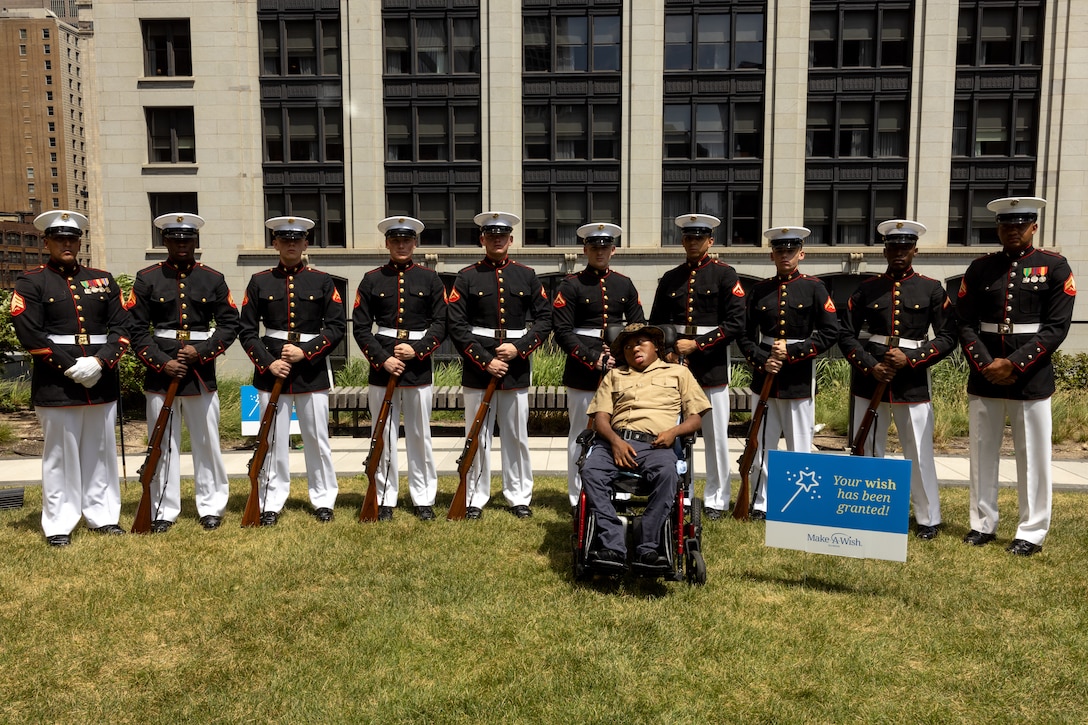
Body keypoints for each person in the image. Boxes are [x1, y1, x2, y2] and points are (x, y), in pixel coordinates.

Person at [956, 197, 1076, 556]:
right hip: (986, 372)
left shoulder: (1054, 266)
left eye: (1021, 225)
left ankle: (1032, 530)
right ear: (998, 228)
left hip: (1031, 376)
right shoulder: (979, 269)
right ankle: (982, 523)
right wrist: (987, 364)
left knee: (1034, 457)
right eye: (1006, 225)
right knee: (981, 451)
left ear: (1033, 227)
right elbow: (964, 323)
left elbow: (1056, 327)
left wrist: (1016, 364)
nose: (1013, 231)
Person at [11, 210, 131, 546]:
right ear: (46, 241)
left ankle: (103, 516)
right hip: (57, 380)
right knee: (60, 455)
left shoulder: (103, 279)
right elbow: (30, 333)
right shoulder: (31, 281)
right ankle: (59, 523)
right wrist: (69, 367)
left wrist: (101, 362)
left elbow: (122, 327)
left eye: (73, 238)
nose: (67, 243)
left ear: (80, 241)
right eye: (60, 238)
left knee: (101, 450)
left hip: (101, 377)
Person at [839, 220, 957, 540]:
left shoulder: (931, 288)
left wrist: (913, 359)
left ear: (915, 250)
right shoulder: (865, 289)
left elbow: (948, 337)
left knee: (918, 451)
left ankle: (928, 517)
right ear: (885, 250)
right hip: (871, 379)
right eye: (894, 247)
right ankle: (868, 510)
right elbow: (846, 336)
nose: (899, 253)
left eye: (906, 247)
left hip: (912, 380)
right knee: (867, 448)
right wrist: (869, 366)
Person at [127, 213, 240, 532]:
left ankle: (211, 505)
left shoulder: (213, 278)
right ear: (164, 241)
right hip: (161, 373)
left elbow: (230, 323)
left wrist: (201, 352)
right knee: (163, 441)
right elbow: (135, 328)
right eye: (175, 240)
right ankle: (163, 508)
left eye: (187, 240)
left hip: (201, 374)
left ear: (195, 242)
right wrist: (163, 362)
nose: (181, 245)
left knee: (207, 442)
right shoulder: (147, 278)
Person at [238, 216, 346, 526]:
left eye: (296, 240)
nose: (291, 245)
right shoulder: (260, 281)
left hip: (311, 369)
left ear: (305, 244)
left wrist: (306, 351)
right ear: (275, 243)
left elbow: (337, 327)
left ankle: (324, 498)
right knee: (272, 438)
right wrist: (268, 362)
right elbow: (247, 330)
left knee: (317, 439)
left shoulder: (323, 281)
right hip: (272, 369)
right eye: (284, 239)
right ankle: (270, 499)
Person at [446, 211, 552, 519]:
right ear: (482, 240)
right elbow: (457, 324)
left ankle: (518, 495)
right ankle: (476, 495)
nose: (497, 240)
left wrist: (519, 348)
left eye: (502, 236)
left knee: (516, 434)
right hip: (478, 366)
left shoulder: (527, 275)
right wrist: (485, 359)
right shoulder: (466, 276)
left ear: (511, 240)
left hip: (515, 365)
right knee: (476, 433)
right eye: (491, 236)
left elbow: (545, 319)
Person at [580, 323, 711, 568]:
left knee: (667, 474)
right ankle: (612, 543)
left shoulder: (679, 374)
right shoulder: (614, 375)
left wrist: (674, 432)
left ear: (657, 347)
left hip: (657, 445)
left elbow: (695, 418)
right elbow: (600, 419)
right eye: (628, 346)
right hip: (614, 442)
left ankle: (648, 546)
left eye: (641, 343)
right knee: (590, 471)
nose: (634, 349)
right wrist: (616, 442)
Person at [739, 226, 840, 519]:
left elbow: (830, 332)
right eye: (780, 251)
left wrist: (794, 353)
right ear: (772, 255)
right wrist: (760, 359)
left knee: (798, 444)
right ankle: (762, 501)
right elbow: (744, 335)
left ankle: (801, 504)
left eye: (791, 251)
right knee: (764, 443)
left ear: (801, 254)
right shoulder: (759, 291)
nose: (785, 255)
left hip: (798, 376)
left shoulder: (815, 288)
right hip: (766, 375)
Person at [649, 213, 746, 520]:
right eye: (689, 237)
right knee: (672, 432)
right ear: (682, 241)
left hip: (711, 366)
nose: (693, 242)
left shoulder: (725, 275)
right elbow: (657, 324)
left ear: (710, 241)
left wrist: (699, 344)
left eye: (699, 237)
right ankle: (680, 495)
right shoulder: (670, 278)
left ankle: (717, 498)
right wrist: (666, 350)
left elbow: (735, 323)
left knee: (715, 436)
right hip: (675, 366)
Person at [352, 216, 447, 521]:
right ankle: (384, 497)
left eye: (407, 240)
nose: (402, 245)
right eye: (396, 241)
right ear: (387, 244)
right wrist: (382, 358)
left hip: (418, 368)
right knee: (384, 434)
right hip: (383, 367)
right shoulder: (371, 279)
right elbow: (361, 327)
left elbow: (441, 323)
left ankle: (423, 497)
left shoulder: (431, 280)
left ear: (415, 244)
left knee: (420, 435)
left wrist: (417, 350)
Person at [552, 222, 644, 509]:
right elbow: (563, 331)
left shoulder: (624, 284)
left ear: (613, 250)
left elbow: (639, 325)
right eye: (594, 247)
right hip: (583, 372)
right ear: (585, 250)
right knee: (581, 433)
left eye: (605, 247)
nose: (599, 252)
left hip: (620, 370)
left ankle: (621, 492)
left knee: (623, 431)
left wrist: (621, 353)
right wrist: (593, 357)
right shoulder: (571, 284)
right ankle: (578, 495)